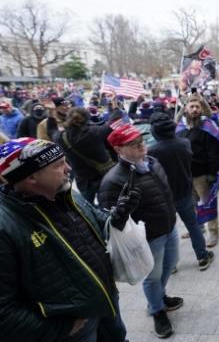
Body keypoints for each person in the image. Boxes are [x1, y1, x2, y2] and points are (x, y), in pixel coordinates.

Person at [0, 138, 127, 341]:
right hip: (73, 328)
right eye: (58, 165)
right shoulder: (6, 227)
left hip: (106, 301)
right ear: (31, 177)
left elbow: (95, 220)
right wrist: (61, 329)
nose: (68, 169)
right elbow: (4, 312)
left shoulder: (66, 192)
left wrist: (117, 218)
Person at [98, 124, 181, 339]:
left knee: (170, 265)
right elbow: (111, 222)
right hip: (149, 238)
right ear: (118, 149)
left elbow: (165, 191)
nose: (141, 146)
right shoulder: (113, 180)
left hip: (170, 227)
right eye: (133, 144)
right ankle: (156, 310)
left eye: (141, 141)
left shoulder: (152, 163)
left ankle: (159, 297)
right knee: (153, 276)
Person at [148, 112, 215, 271]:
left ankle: (171, 265)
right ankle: (202, 256)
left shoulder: (152, 151)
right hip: (184, 192)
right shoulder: (184, 143)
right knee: (193, 225)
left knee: (168, 231)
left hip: (165, 197)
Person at [176, 94, 219, 248]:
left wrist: (212, 173)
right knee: (192, 204)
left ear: (202, 108)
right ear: (186, 109)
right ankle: (198, 228)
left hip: (203, 175)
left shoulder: (208, 126)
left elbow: (214, 152)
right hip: (185, 174)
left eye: (197, 107)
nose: (195, 109)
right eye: (192, 107)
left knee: (208, 203)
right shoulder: (179, 127)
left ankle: (213, 232)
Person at [57, 107, 114, 203]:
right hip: (102, 175)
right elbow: (112, 124)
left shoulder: (61, 137)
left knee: (87, 206)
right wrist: (115, 108)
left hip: (83, 180)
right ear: (87, 117)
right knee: (107, 205)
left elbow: (51, 130)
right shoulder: (95, 132)